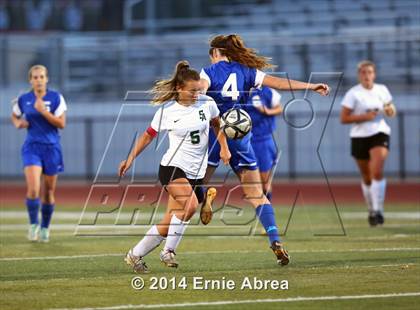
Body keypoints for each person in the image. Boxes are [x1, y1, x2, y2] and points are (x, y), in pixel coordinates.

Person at [200, 34, 330, 265]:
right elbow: (279, 83)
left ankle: (204, 199)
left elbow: (198, 92)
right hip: (240, 135)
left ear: (215, 53)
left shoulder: (207, 73)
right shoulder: (247, 71)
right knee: (257, 195)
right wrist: (311, 86)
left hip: (215, 134)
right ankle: (275, 238)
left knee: (194, 185)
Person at [119, 61, 230, 273]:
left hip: (196, 172)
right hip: (172, 167)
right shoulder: (167, 112)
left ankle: (134, 255)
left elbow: (217, 123)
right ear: (179, 89)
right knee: (189, 207)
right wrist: (130, 158)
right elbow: (147, 136)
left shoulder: (207, 103)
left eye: (199, 89)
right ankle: (168, 251)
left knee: (170, 221)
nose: (197, 94)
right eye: (192, 90)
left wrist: (224, 148)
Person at [11, 64, 67, 242]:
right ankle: (33, 224)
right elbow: (15, 114)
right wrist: (18, 123)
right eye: (35, 77)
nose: (39, 80)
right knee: (34, 189)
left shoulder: (56, 97)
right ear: (30, 80)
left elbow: (61, 124)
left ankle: (45, 228)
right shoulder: (24, 99)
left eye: (41, 77)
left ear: (46, 79)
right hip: (32, 147)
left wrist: (44, 112)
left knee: (48, 192)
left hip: (52, 149)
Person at [340, 60, 396, 226]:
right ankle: (371, 209)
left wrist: (390, 110)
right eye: (363, 72)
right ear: (359, 75)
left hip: (379, 133)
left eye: (370, 72)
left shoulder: (382, 90)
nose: (367, 75)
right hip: (359, 136)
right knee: (366, 176)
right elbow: (344, 118)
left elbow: (390, 108)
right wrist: (365, 116)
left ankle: (379, 210)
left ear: (374, 74)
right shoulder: (353, 93)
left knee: (377, 170)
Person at [248, 86, 283, 202]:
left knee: (265, 180)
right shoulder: (239, 90)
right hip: (246, 140)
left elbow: (279, 108)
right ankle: (262, 207)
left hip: (263, 140)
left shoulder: (267, 91)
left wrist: (267, 111)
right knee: (252, 180)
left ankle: (267, 209)